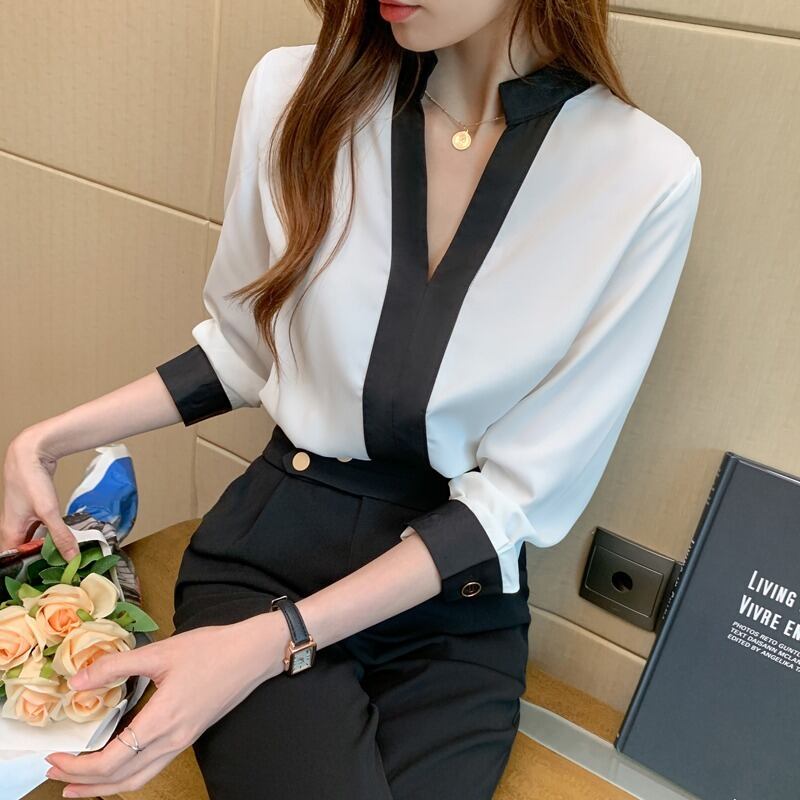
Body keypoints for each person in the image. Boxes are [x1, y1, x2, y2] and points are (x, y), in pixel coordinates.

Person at [0, 0, 703, 797]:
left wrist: (272, 644)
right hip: (268, 556)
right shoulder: (291, 93)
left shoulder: (644, 177)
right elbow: (246, 350)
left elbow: (515, 499)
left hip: (453, 603)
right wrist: (44, 440)